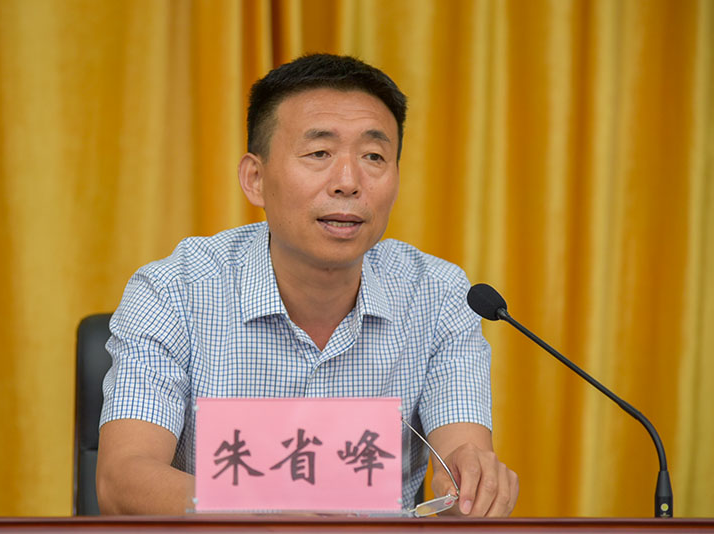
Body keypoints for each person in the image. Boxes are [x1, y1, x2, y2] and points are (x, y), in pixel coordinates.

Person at [96, 53, 518, 516]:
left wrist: (472, 487)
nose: (348, 182)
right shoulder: (173, 290)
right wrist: (265, 514)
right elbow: (123, 479)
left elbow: (461, 469)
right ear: (255, 179)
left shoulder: (438, 295)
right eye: (319, 154)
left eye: (374, 157)